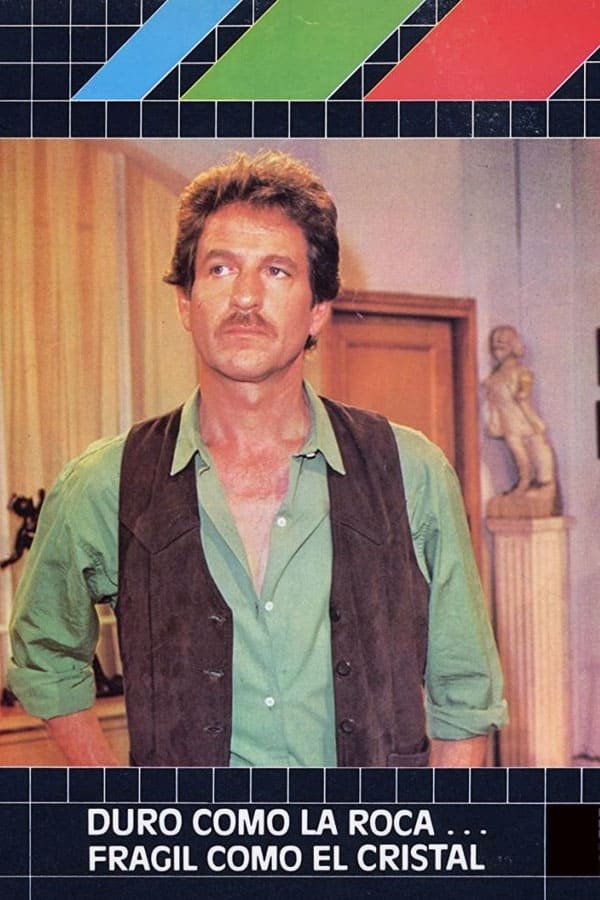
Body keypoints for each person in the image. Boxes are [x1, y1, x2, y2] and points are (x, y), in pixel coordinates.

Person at [8, 150, 506, 768]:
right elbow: (45, 656)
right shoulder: (105, 482)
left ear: (318, 309)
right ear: (185, 303)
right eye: (219, 269)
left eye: (276, 271)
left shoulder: (413, 472)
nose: (245, 297)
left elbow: (465, 693)